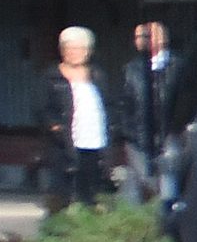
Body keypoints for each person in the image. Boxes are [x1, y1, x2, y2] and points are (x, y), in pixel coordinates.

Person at [48, 25, 111, 209]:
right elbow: (43, 109)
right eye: (69, 48)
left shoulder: (98, 75)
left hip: (95, 139)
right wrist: (55, 127)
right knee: (65, 189)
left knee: (92, 188)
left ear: (88, 51)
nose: (74, 53)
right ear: (62, 51)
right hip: (65, 142)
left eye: (79, 48)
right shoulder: (52, 77)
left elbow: (109, 104)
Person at [118, 20, 174, 191]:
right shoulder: (131, 69)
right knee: (144, 186)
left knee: (169, 185)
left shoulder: (177, 66)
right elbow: (125, 104)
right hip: (139, 138)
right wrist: (128, 133)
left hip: (171, 137)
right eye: (136, 37)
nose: (139, 40)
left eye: (144, 36)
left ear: (161, 38)